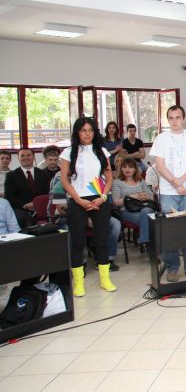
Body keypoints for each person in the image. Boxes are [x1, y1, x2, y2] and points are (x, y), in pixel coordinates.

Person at [59, 116, 115, 296]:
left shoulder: (102, 151)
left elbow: (109, 177)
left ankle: (105, 279)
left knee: (101, 240)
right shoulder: (68, 152)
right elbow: (65, 180)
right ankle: (78, 282)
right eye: (83, 130)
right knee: (77, 241)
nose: (87, 134)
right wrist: (78, 200)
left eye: (90, 130)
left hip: (99, 199)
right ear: (77, 132)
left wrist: (103, 197)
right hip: (78, 199)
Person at [150, 105, 186, 282]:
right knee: (170, 230)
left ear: (184, 118)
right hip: (168, 191)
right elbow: (160, 165)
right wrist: (175, 182)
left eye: (178, 117)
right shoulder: (161, 139)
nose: (174, 121)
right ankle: (172, 268)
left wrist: (181, 181)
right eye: (171, 118)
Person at [112, 157, 154, 250]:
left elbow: (151, 196)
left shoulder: (141, 181)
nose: (127, 169)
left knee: (146, 211)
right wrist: (131, 197)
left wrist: (145, 196)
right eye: (124, 167)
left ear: (135, 169)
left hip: (143, 208)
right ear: (121, 169)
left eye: (130, 167)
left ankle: (144, 243)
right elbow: (116, 202)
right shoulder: (117, 182)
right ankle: (148, 243)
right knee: (149, 219)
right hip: (127, 211)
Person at [4, 147, 51, 227]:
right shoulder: (11, 176)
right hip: (21, 209)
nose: (25, 157)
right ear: (18, 158)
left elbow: (48, 193)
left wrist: (37, 204)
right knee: (23, 218)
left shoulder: (43, 174)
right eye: (22, 155)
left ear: (33, 157)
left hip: (41, 207)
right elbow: (9, 197)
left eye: (28, 155)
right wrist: (25, 205)